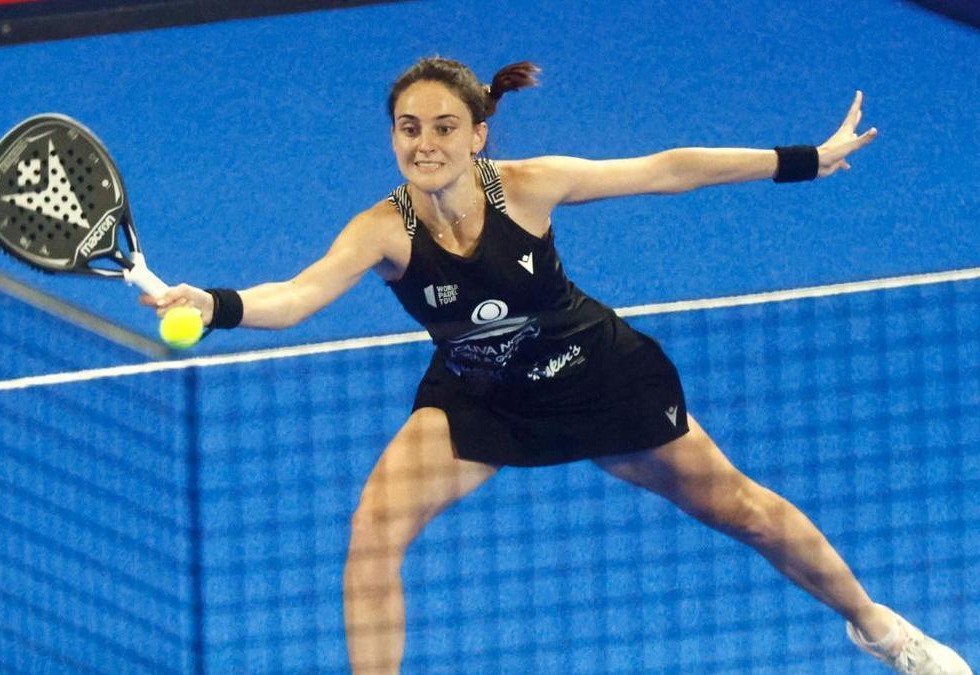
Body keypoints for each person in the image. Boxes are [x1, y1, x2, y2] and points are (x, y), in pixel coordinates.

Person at [144, 58, 971, 675]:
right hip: (482, 395)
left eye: (443, 127)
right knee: (374, 531)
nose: (425, 144)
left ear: (478, 134)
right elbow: (296, 296)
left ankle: (882, 630)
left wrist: (802, 158)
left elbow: (667, 169)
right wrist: (213, 302)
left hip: (597, 377)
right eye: (408, 128)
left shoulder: (528, 188)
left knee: (746, 511)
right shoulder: (382, 230)